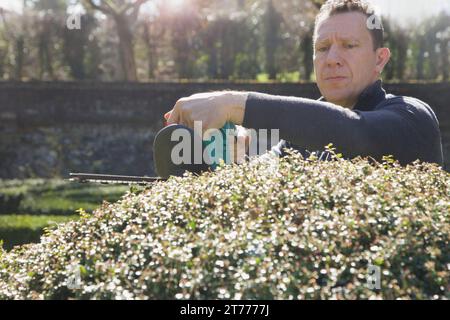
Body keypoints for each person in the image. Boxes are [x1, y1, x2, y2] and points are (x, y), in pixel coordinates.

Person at [165, 0, 444, 167]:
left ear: (379, 59)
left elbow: (354, 131)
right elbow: (261, 181)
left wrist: (231, 104)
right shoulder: (298, 141)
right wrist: (235, 158)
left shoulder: (412, 116)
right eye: (322, 48)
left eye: (349, 45)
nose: (332, 59)